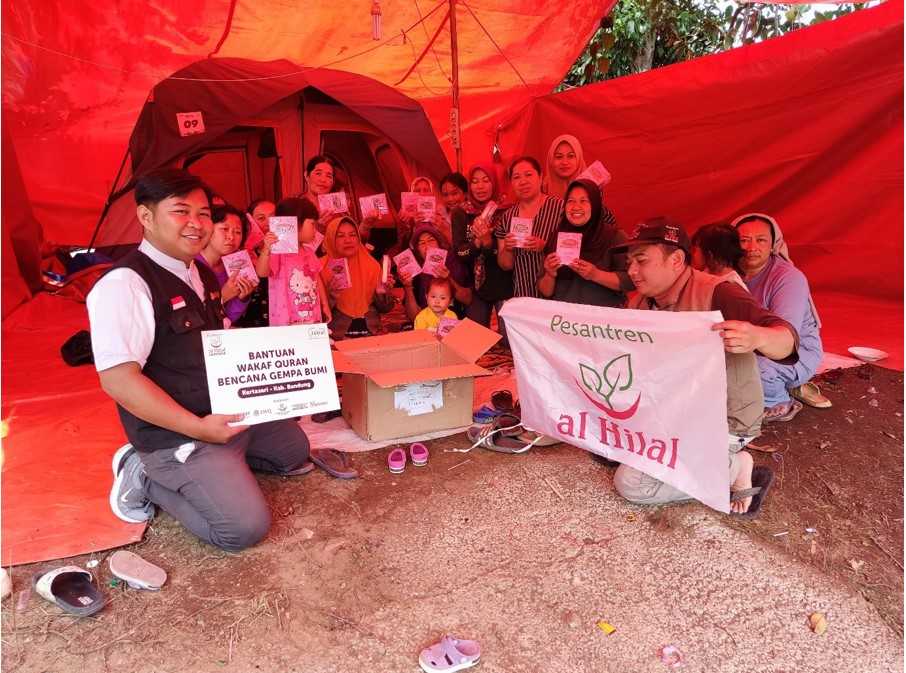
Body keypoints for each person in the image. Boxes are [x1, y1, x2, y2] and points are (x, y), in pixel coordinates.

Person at [88, 168, 319, 552]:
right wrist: (199, 428)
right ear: (146, 217)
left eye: (203, 213)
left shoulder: (202, 275)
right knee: (242, 529)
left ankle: (221, 471)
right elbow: (119, 382)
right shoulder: (124, 285)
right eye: (181, 211)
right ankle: (142, 474)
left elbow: (217, 345)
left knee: (293, 450)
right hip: (177, 433)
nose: (196, 224)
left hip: (223, 412)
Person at [609, 218, 800, 514]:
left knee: (632, 483)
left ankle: (734, 465)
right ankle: (710, 463)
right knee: (603, 434)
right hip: (671, 410)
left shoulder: (719, 292)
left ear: (676, 260)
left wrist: (757, 336)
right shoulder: (640, 303)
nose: (631, 270)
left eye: (641, 260)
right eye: (630, 261)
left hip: (723, 419)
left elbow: (787, 340)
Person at [733, 212, 828, 419]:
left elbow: (784, 338)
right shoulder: (726, 270)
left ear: (773, 244)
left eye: (761, 240)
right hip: (741, 343)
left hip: (791, 350)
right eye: (744, 240)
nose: (752, 248)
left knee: (754, 372)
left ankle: (778, 401)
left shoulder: (788, 278)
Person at [538, 179, 633, 306]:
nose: (576, 207)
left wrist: (595, 275)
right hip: (564, 320)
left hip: (601, 320)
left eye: (584, 201)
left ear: (595, 205)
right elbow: (545, 292)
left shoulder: (614, 236)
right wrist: (550, 274)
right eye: (571, 201)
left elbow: (630, 281)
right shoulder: (556, 237)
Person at [451, 163, 513, 336]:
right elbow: (460, 253)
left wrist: (489, 244)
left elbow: (507, 253)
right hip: (477, 286)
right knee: (474, 340)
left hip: (505, 282)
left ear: (494, 183)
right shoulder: (461, 213)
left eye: (486, 180)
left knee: (510, 343)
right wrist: (478, 243)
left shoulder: (506, 211)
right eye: (475, 181)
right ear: (469, 186)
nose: (480, 186)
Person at [494, 156, 563, 298]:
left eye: (528, 175)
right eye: (516, 177)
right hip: (522, 293)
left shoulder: (560, 208)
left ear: (541, 177)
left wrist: (545, 245)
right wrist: (507, 248)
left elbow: (573, 250)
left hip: (557, 294)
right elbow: (505, 265)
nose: (523, 182)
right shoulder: (507, 217)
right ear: (512, 183)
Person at [255, 198, 331, 326]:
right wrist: (267, 249)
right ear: (295, 223)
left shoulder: (309, 251)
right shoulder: (278, 251)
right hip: (286, 321)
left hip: (311, 315)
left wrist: (324, 305)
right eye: (312, 224)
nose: (315, 230)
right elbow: (262, 273)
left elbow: (316, 278)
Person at [320, 215, 395, 339]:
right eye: (340, 236)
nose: (348, 240)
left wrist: (384, 292)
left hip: (371, 334)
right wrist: (332, 295)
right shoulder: (320, 268)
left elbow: (385, 308)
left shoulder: (372, 265)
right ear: (330, 239)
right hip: (336, 337)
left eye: (352, 235)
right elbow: (317, 317)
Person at [196, 204, 257, 326]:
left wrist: (242, 298)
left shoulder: (232, 268)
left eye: (238, 232)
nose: (231, 237)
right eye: (224, 229)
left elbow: (228, 318)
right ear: (208, 229)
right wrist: (222, 296)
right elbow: (194, 318)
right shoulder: (191, 265)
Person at [399, 223, 472, 321]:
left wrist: (448, 278)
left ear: (439, 244)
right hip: (427, 325)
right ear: (418, 251)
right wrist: (408, 287)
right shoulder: (415, 273)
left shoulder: (455, 264)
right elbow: (414, 318)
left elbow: (468, 299)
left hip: (454, 322)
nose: (427, 246)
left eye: (431, 240)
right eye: (422, 243)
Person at [690, 222, 747, 289]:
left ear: (710, 255)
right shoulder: (707, 277)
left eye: (695, 250)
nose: (692, 255)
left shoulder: (729, 288)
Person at [542, 134, 587, 199]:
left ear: (579, 158)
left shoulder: (591, 186)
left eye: (571, 156)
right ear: (551, 159)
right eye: (559, 157)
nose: (564, 162)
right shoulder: (543, 188)